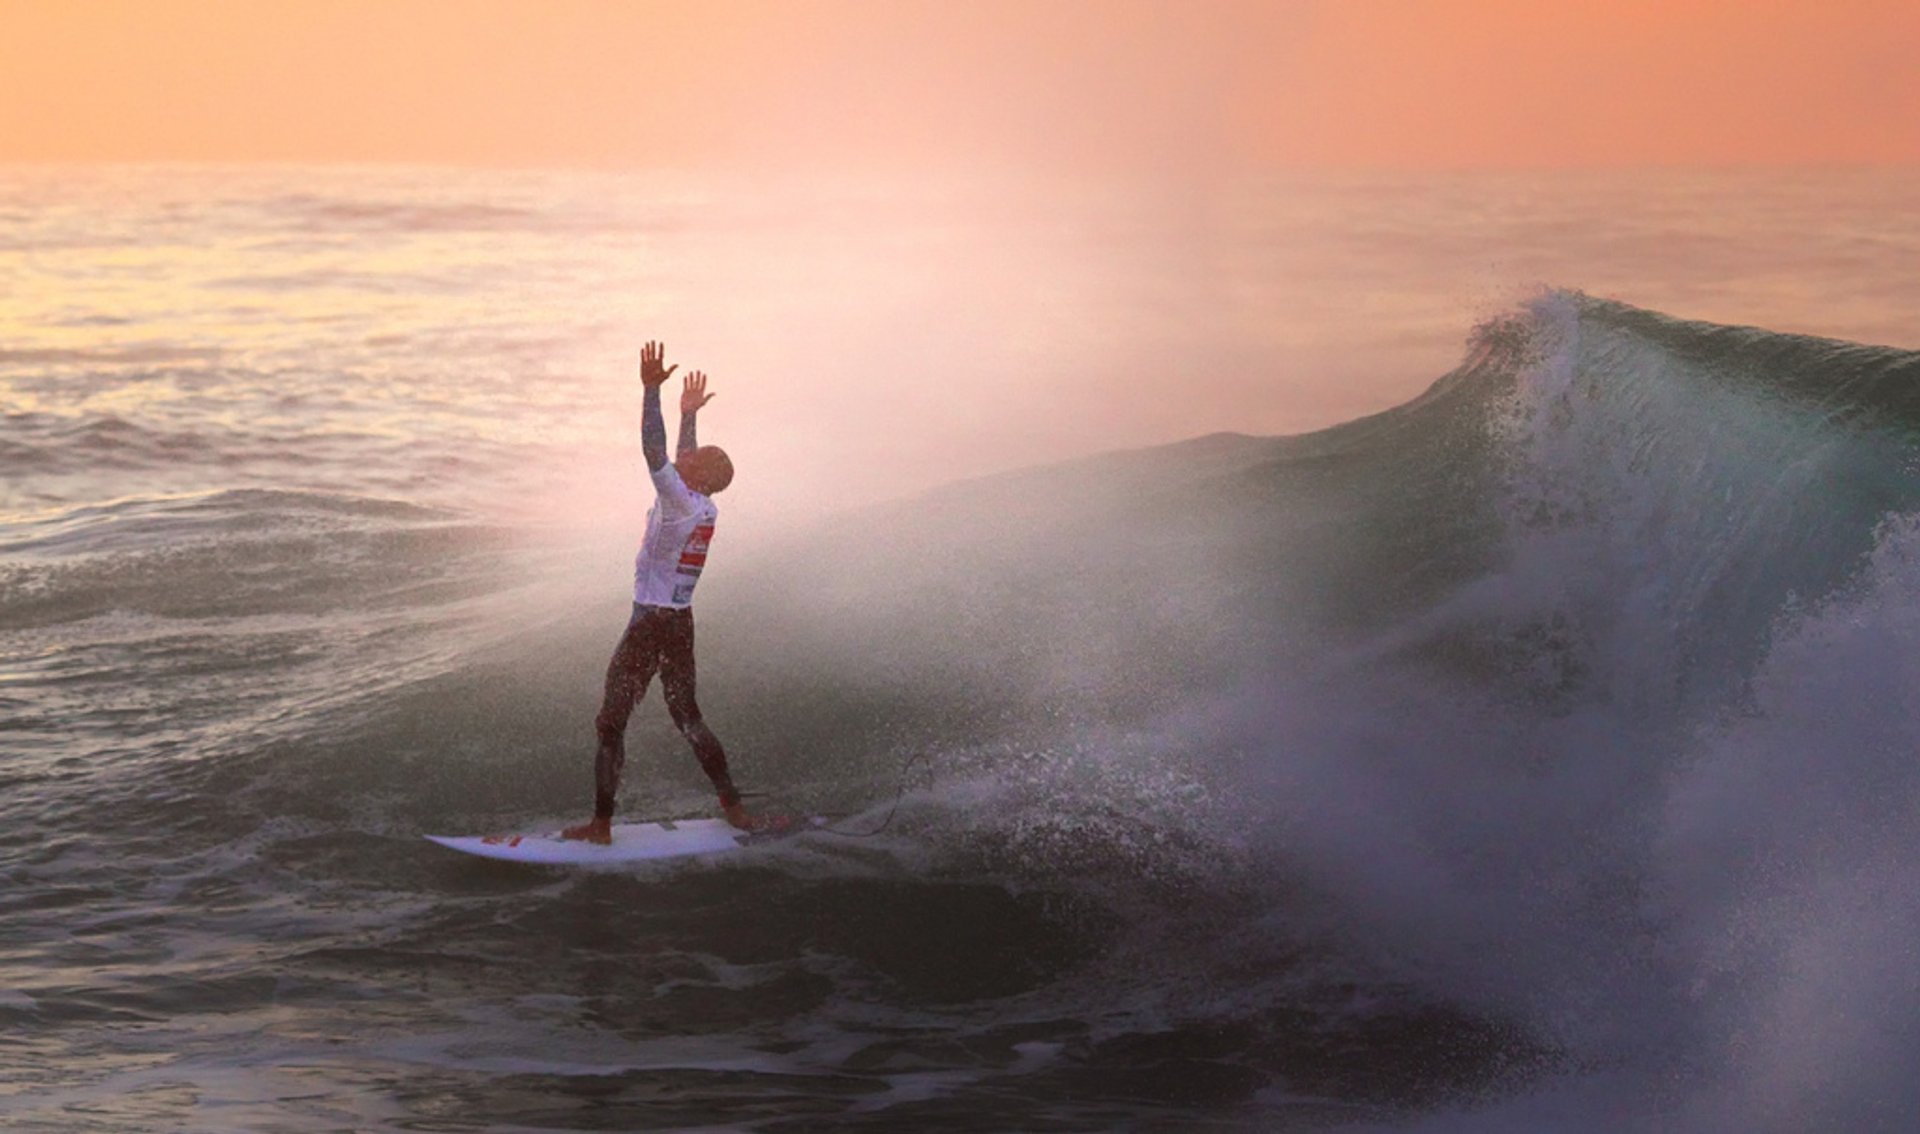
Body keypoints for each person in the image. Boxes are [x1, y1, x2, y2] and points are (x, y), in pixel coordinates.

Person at [562, 341, 767, 842]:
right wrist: (688, 416)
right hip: (679, 622)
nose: (687, 458)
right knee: (689, 718)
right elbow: (679, 458)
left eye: (694, 458)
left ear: (697, 476)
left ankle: (601, 824)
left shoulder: (677, 501)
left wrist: (651, 391)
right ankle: (734, 807)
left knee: (610, 723)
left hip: (650, 622)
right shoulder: (702, 505)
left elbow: (655, 453)